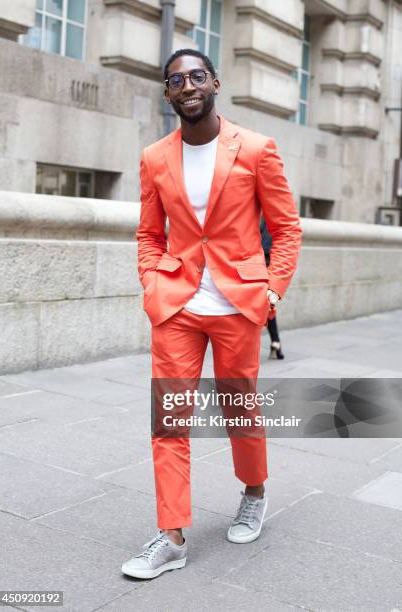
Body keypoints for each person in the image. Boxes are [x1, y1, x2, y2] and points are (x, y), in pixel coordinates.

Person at [122, 48, 302, 580]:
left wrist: (272, 292)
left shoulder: (256, 149)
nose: (188, 86)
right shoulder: (155, 157)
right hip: (177, 304)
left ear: (215, 82)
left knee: (237, 410)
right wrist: (152, 282)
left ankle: (253, 491)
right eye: (176, 80)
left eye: (196, 76)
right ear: (167, 93)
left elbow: (287, 229)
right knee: (170, 420)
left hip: (238, 304)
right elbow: (150, 233)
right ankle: (171, 535)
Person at [260, 217, 285, 359]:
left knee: (267, 307)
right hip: (270, 268)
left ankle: (276, 343)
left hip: (261, 267)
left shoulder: (264, 220)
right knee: (269, 307)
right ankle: (276, 343)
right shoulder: (274, 220)